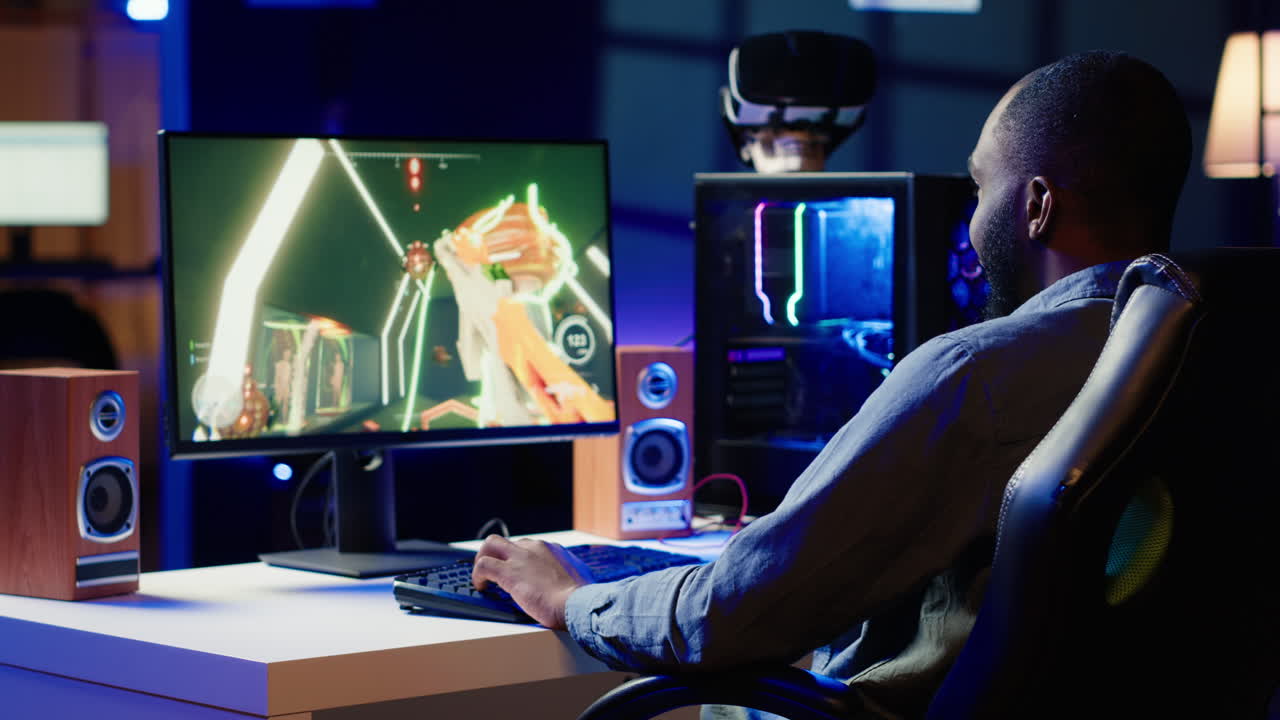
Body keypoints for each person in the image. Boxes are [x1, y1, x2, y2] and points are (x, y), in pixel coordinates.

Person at [471, 50, 1192, 719]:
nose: (970, 220)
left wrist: (573, 597)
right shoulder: (1205, 351)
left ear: (1036, 206)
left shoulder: (978, 373)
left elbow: (724, 619)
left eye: (979, 186)